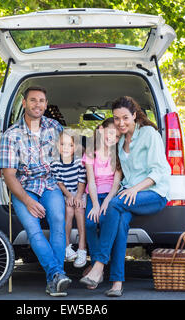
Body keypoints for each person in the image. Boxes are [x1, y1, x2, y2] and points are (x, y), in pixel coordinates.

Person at [80, 96, 171, 297]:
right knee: (120, 223)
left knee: (113, 204)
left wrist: (134, 189)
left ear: (135, 115)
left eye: (125, 118)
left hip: (153, 193)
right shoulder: (119, 143)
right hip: (129, 194)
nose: (121, 123)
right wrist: (127, 190)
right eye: (117, 118)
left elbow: (160, 171)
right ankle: (117, 283)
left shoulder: (149, 134)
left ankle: (99, 265)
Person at [0, 86, 72, 297]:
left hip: (51, 184)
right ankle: (57, 275)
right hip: (24, 187)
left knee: (58, 221)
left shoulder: (55, 127)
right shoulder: (11, 135)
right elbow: (9, 175)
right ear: (24, 103)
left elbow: (69, 157)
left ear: (46, 105)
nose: (37, 104)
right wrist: (27, 201)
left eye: (41, 100)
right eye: (33, 100)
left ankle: (55, 279)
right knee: (33, 229)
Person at [81, 118, 123, 289]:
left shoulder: (119, 155)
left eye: (118, 136)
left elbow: (116, 183)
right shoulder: (91, 153)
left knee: (106, 223)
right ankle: (98, 266)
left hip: (110, 195)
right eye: (111, 132)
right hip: (93, 194)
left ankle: (97, 268)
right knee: (90, 224)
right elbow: (90, 181)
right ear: (100, 130)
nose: (113, 138)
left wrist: (106, 202)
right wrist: (96, 204)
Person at [50, 130, 87, 268]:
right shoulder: (55, 163)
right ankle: (66, 247)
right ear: (57, 145)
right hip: (66, 193)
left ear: (75, 147)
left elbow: (82, 181)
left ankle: (82, 248)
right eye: (62, 144)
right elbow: (59, 182)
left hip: (80, 191)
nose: (65, 148)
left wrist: (77, 196)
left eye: (70, 145)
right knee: (68, 212)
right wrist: (68, 196)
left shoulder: (79, 161)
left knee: (79, 210)